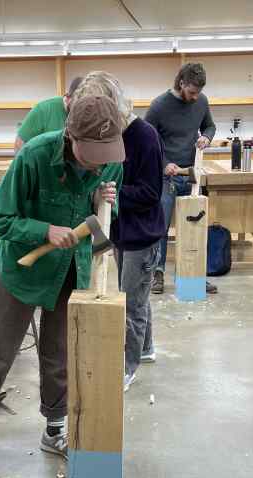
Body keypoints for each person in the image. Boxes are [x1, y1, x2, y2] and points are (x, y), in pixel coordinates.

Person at [0, 94, 124, 464]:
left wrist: (101, 201)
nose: (100, 164)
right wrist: (44, 230)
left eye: (106, 154)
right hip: (22, 268)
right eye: (91, 154)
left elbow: (105, 219)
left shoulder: (111, 163)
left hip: (70, 269)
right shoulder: (34, 155)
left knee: (60, 353)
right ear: (71, 136)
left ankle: (54, 429)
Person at [72, 71, 165, 390]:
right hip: (119, 230)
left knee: (131, 303)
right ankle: (147, 348)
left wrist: (111, 196)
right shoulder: (105, 136)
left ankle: (127, 366)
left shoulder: (145, 136)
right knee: (136, 293)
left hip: (142, 233)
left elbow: (151, 192)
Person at [145, 63, 217, 295]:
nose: (195, 97)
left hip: (191, 175)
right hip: (165, 178)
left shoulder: (201, 101)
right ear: (181, 83)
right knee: (161, 227)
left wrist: (206, 137)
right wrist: (165, 164)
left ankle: (194, 274)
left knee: (194, 226)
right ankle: (157, 273)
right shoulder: (158, 106)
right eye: (192, 92)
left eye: (199, 92)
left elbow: (210, 125)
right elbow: (146, 141)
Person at [14, 76, 84, 153]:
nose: (80, 112)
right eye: (77, 106)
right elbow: (19, 144)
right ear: (68, 98)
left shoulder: (90, 115)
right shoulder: (43, 110)